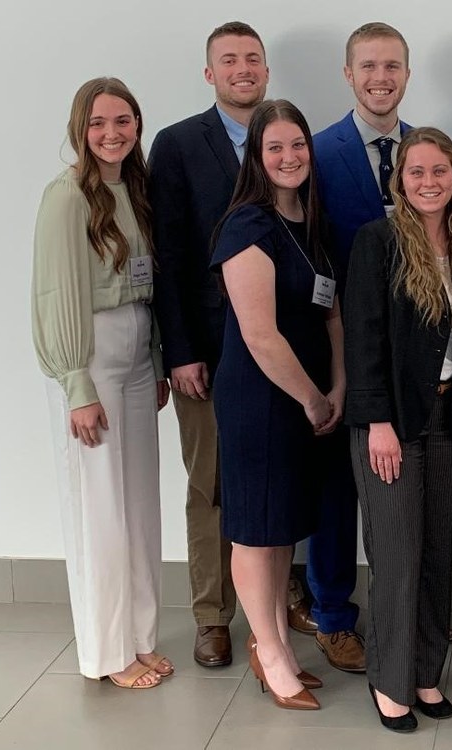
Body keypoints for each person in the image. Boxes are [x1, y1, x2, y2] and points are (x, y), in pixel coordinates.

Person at [344, 127, 452, 732]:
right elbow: (364, 338)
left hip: (451, 418)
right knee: (397, 554)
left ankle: (427, 674)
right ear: (399, 181)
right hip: (394, 421)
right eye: (416, 172)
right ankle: (391, 681)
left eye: (439, 171)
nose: (429, 182)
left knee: (435, 552)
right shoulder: (377, 243)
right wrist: (377, 420)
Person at [32, 77, 172, 689]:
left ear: (137, 125)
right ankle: (106, 652)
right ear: (79, 129)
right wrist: (75, 384)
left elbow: (151, 284)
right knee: (100, 510)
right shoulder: (65, 197)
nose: (111, 133)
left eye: (123, 120)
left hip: (140, 354)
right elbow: (54, 294)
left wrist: (161, 359)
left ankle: (138, 639)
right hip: (91, 355)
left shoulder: (136, 189)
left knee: (139, 505)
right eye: (97, 123)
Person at [210, 99, 342, 711]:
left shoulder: (309, 221)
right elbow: (261, 336)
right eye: (275, 148)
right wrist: (315, 398)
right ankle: (268, 653)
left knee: (282, 525)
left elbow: (330, 311)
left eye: (298, 145)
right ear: (257, 158)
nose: (289, 158)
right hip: (262, 402)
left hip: (307, 401)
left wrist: (337, 387)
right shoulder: (248, 226)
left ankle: (282, 647)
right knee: (255, 533)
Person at [148, 21, 269, 668]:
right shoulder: (175, 146)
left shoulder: (284, 137)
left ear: (266, 69)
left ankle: (271, 613)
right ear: (209, 73)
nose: (242, 68)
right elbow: (166, 254)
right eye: (229, 60)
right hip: (210, 349)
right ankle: (211, 614)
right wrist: (180, 350)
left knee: (274, 476)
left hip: (280, 347)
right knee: (212, 484)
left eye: (252, 58)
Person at [296, 21, 414, 673]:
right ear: (348, 74)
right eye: (368, 66)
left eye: (392, 66)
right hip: (341, 350)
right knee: (336, 491)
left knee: (402, 489)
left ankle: (404, 612)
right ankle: (334, 615)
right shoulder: (315, 153)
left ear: (406, 73)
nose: (380, 77)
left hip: (415, 357)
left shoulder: (426, 151)